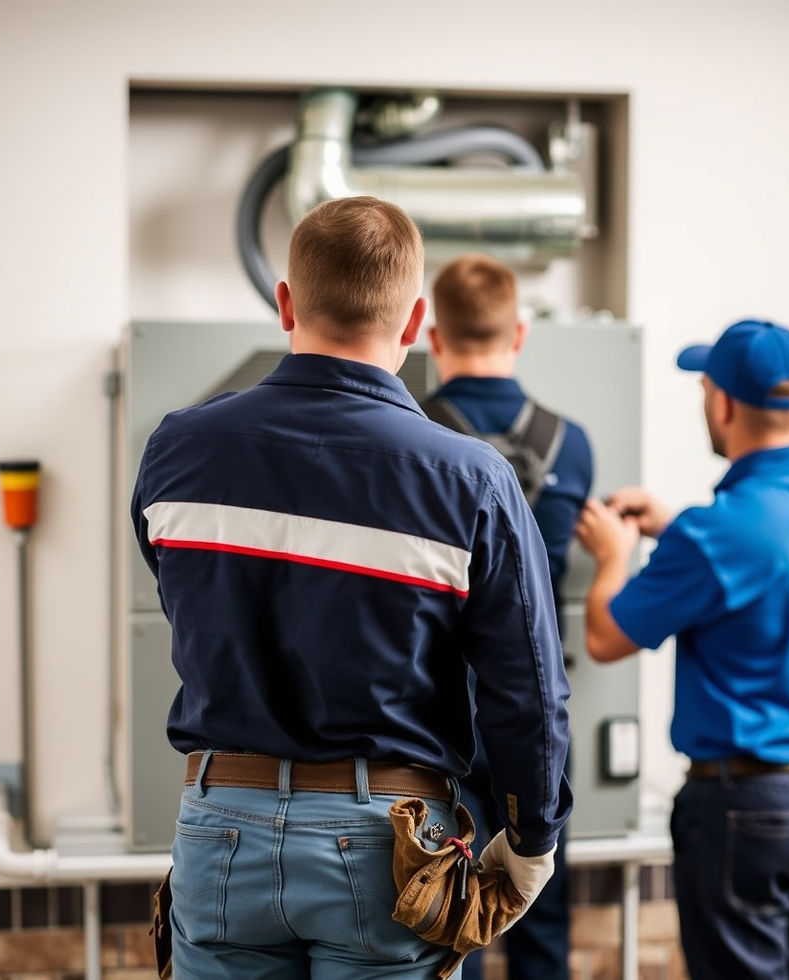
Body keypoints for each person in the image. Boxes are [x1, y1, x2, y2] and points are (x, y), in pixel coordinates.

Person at [131, 197, 573, 979]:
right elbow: (526, 687)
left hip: (218, 827)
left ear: (286, 304)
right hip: (390, 848)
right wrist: (531, 836)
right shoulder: (471, 481)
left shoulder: (177, 451)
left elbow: (185, 602)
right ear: (413, 323)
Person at [574, 318, 789, 979]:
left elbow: (604, 637)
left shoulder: (713, 538)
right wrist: (676, 526)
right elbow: (773, 561)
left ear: (723, 403)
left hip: (749, 813)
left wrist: (613, 558)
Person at [425, 253, 593, 980]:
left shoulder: (412, 434)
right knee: (540, 911)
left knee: (442, 917)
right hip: (537, 708)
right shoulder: (571, 442)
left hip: (438, 717)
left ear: (432, 336)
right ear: (518, 333)